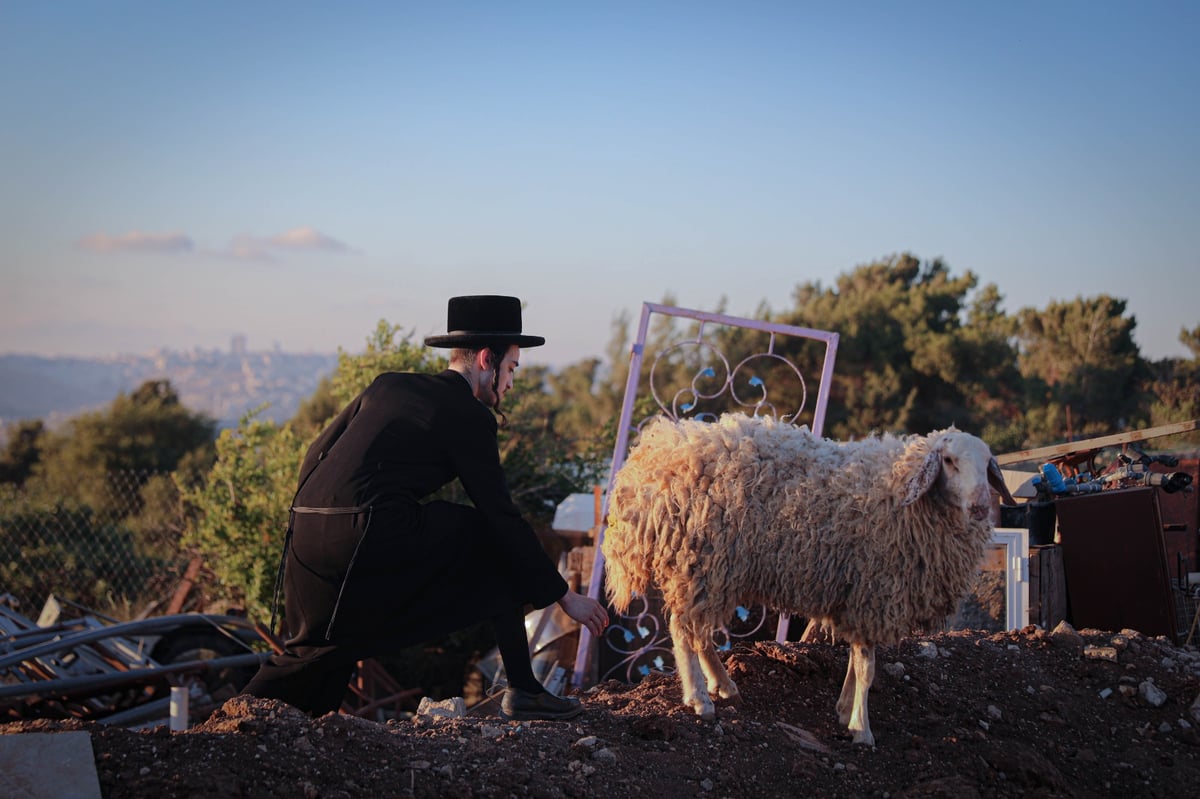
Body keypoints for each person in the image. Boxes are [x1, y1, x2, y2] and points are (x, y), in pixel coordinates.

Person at [242, 295, 609, 719]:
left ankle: (228, 726)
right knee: (492, 538)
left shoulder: (387, 384)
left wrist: (310, 518)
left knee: (316, 653)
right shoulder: (469, 415)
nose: (510, 384)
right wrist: (564, 597)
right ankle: (524, 689)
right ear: (487, 359)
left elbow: (315, 453)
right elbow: (501, 515)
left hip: (305, 532)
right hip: (369, 532)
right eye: (511, 369)